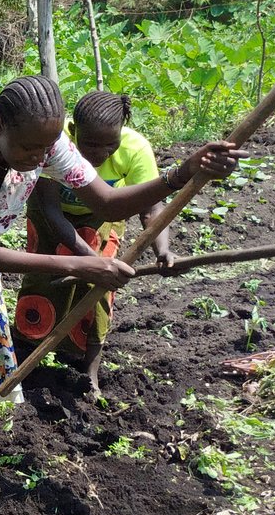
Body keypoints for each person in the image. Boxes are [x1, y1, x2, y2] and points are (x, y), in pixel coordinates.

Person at [0, 75, 242, 458]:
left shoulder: (48, 144)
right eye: (29, 148)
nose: (38, 158)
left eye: (45, 148)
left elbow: (108, 203)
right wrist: (78, 264)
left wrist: (182, 173)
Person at [13, 91, 173, 395]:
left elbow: (151, 208)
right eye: (91, 144)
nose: (101, 152)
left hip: (103, 216)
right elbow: (50, 210)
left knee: (99, 289)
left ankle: (89, 367)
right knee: (44, 278)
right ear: (74, 131)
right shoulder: (54, 141)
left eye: (110, 144)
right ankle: (26, 354)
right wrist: (90, 259)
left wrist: (162, 250)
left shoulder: (136, 149)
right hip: (51, 215)